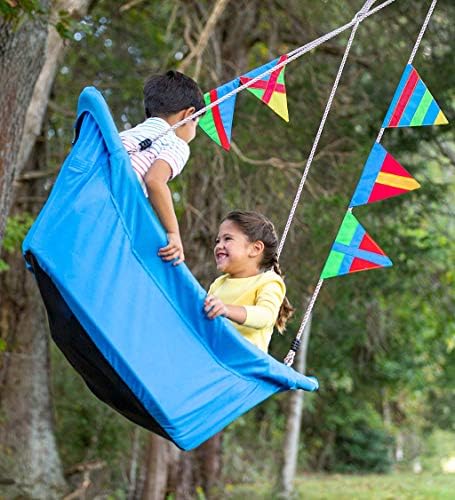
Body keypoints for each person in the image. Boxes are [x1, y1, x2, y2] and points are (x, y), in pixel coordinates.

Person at [120, 70, 205, 265]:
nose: (194, 133)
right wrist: (173, 233)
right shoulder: (176, 143)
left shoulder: (124, 135)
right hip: (115, 203)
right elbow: (154, 181)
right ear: (189, 114)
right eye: (196, 124)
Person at [204, 210, 294, 352]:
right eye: (218, 241)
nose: (219, 245)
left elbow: (265, 316)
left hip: (244, 362)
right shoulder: (218, 283)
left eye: (227, 239)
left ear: (255, 249)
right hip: (214, 356)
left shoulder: (269, 281)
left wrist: (227, 310)